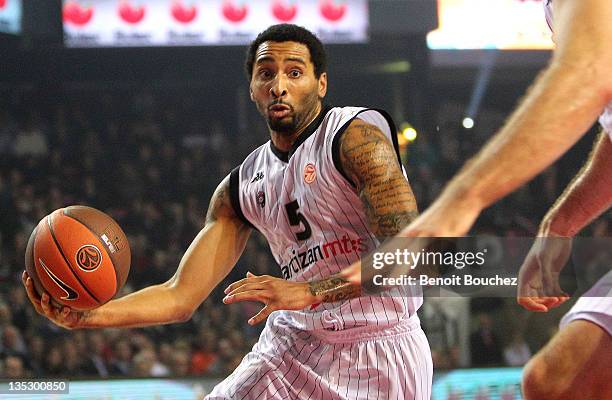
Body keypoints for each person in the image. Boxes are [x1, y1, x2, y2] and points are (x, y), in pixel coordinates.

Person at [24, 24, 433, 399]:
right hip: (292, 347)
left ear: (320, 83)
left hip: (381, 348)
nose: (279, 86)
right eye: (266, 73)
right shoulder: (241, 187)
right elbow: (179, 296)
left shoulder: (355, 138)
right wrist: (87, 318)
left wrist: (311, 291)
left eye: (294, 72)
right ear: (253, 87)